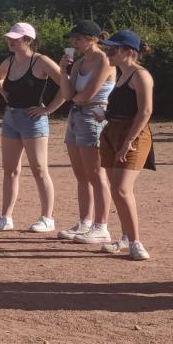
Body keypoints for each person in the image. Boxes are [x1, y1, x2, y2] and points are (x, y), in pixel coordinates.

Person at [38, 20, 115, 244]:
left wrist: (73, 96)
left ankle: (101, 226)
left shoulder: (104, 60)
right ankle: (85, 223)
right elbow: (67, 91)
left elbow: (86, 95)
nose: (74, 42)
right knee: (81, 175)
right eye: (74, 39)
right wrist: (63, 70)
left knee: (96, 174)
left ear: (93, 39)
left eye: (79, 38)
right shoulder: (80, 63)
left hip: (94, 117)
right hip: (76, 117)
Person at [0, 23, 63, 232]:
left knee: (39, 169)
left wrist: (48, 110)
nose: (11, 41)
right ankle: (5, 218)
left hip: (33, 120)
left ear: (28, 40)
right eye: (9, 38)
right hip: (11, 118)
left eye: (16, 38)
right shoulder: (9, 61)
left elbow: (66, 85)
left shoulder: (41, 61)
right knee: (10, 170)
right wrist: (4, 94)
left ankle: (47, 218)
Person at [96, 30, 156, 261]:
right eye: (107, 48)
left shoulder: (140, 76)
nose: (107, 53)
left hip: (134, 134)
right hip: (112, 131)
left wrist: (128, 141)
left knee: (121, 189)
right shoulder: (121, 74)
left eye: (112, 49)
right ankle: (124, 237)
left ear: (129, 52)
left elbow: (145, 112)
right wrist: (106, 115)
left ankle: (135, 242)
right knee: (116, 190)